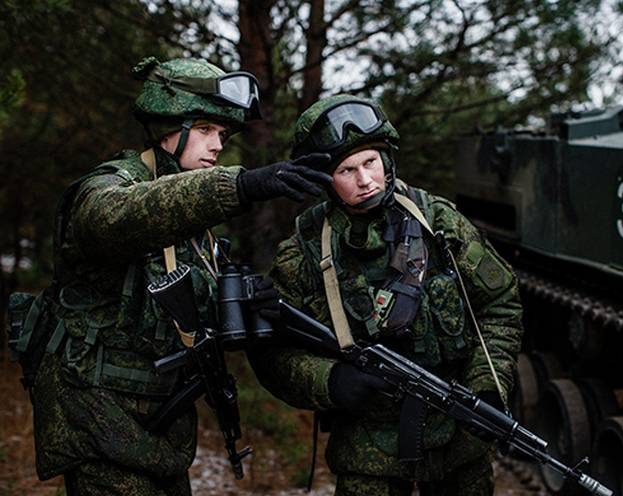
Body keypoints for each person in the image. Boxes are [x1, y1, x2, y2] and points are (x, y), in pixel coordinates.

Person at [18, 56, 330, 495]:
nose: (218, 145)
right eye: (205, 130)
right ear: (168, 128)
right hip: (98, 415)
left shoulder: (196, 228)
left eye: (221, 134)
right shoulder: (109, 185)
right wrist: (239, 187)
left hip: (160, 424)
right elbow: (112, 218)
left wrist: (250, 302)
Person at [247, 94, 523, 495]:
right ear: (326, 179)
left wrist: (488, 384)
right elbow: (271, 352)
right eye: (347, 170)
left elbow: (500, 303)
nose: (365, 180)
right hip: (367, 452)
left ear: (387, 159)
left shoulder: (437, 222)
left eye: (371, 163)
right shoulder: (306, 250)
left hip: (458, 442)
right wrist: (330, 381)